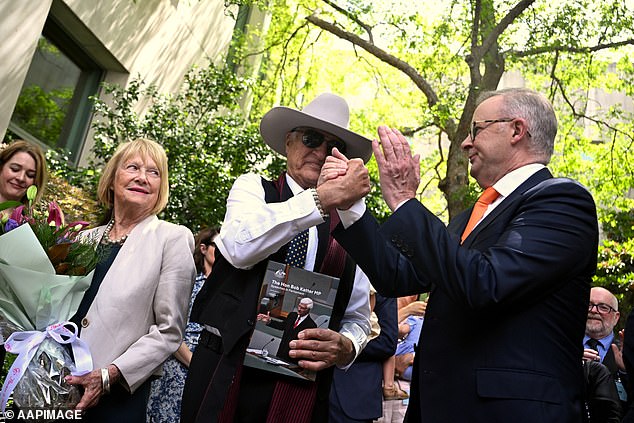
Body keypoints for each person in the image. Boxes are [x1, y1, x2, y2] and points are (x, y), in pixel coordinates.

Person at [318, 88, 599, 422]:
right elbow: (397, 275)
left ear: (516, 130)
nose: (466, 143)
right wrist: (350, 207)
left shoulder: (562, 201)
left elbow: (486, 283)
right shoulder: (471, 216)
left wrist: (406, 200)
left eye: (476, 130)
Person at [181, 92, 373, 423]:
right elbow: (239, 250)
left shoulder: (351, 228)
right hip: (226, 372)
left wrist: (347, 346)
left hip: (301, 390)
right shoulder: (253, 190)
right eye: (311, 139)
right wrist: (321, 199)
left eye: (332, 147)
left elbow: (359, 319)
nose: (320, 152)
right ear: (289, 142)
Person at [64, 138, 197, 422]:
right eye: (133, 167)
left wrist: (108, 375)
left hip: (115, 399)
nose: (142, 177)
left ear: (161, 187)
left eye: (154, 172)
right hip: (59, 382)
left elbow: (169, 332)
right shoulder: (84, 238)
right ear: (113, 179)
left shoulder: (172, 239)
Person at [147, 227, 219, 422]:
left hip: (212, 372)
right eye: (217, 245)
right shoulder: (188, 283)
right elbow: (169, 327)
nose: (222, 251)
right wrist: (195, 364)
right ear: (203, 248)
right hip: (178, 368)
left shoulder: (225, 291)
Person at [329, 288, 398, 422]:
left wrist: (344, 347)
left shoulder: (379, 282)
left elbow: (387, 342)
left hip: (354, 394)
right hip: (304, 388)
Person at [583, 286, 628, 404]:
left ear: (616, 317)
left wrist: (626, 371)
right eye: (589, 305)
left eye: (603, 307)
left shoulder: (627, 352)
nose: (593, 310)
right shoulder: (563, 347)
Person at [257, 297, 317, 362]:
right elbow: (282, 326)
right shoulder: (292, 315)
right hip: (281, 352)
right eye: (299, 306)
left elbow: (307, 346)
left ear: (308, 309)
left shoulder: (311, 325)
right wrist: (269, 321)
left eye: (302, 308)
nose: (299, 309)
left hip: (294, 357)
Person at [0, 139, 48, 209]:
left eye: (30, 175)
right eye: (15, 169)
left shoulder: (30, 219)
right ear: (1, 166)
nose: (21, 178)